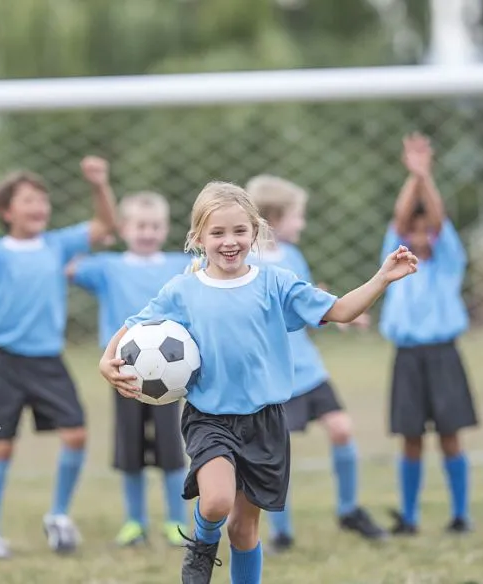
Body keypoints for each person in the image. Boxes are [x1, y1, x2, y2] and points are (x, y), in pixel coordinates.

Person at [99, 181, 418, 584]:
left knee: (244, 530)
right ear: (198, 237)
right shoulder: (182, 290)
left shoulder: (276, 283)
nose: (229, 242)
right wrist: (106, 361)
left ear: (255, 232)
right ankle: (200, 543)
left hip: (264, 421)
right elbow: (133, 326)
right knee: (215, 503)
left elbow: (338, 310)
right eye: (217, 233)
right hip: (209, 417)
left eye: (239, 231)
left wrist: (382, 279)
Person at [0, 158, 118, 562]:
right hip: (5, 362)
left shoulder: (58, 245)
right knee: (1, 446)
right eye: (28, 200)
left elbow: (104, 226)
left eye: (43, 199)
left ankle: (58, 515)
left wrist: (99, 185)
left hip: (47, 360)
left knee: (76, 433)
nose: (39, 206)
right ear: (8, 211)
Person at [246, 174, 387, 552]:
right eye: (297, 216)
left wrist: (344, 314)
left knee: (341, 428)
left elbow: (308, 303)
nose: (302, 223)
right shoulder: (245, 264)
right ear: (273, 218)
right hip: (276, 376)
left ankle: (349, 511)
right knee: (277, 450)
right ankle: (282, 531)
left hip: (309, 369)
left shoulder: (293, 257)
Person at [67, 191, 192, 547]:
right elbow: (69, 265)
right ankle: (134, 522)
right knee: (130, 449)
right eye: (139, 226)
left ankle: (174, 522)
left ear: (165, 229)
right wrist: (95, 237)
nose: (147, 233)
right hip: (122, 373)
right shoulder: (108, 265)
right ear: (124, 229)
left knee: (171, 449)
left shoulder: (177, 266)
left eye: (154, 226)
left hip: (171, 378)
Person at [379, 134, 479, 536]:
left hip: (443, 355)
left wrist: (426, 176)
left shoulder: (447, 262)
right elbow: (400, 219)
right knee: (411, 439)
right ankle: (410, 516)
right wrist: (413, 178)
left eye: (427, 232)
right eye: (412, 233)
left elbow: (438, 219)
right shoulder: (398, 262)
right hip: (407, 357)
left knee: (451, 437)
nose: (419, 238)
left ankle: (460, 514)